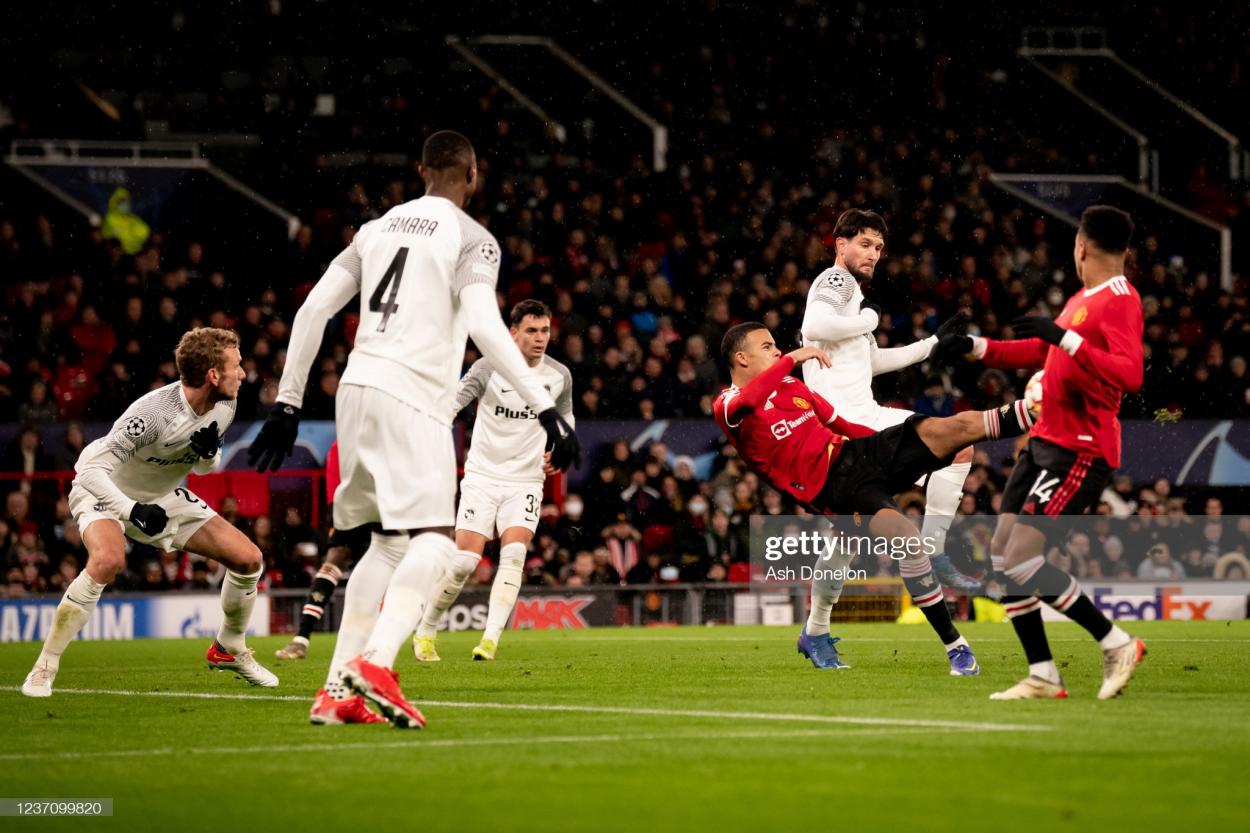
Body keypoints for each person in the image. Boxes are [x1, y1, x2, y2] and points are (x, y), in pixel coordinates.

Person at [248, 130, 580, 729]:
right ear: (472, 176)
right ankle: (376, 663)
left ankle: (336, 690)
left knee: (383, 543)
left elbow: (313, 310)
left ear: (420, 168)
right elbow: (482, 319)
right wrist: (545, 406)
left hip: (354, 391)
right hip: (413, 397)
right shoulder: (472, 239)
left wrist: (288, 403)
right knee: (435, 538)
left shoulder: (373, 231)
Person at [714, 323, 1037, 674]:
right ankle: (956, 647)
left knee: (951, 431)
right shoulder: (728, 405)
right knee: (905, 542)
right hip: (833, 489)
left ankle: (1039, 409)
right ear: (741, 358)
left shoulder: (793, 385)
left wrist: (903, 453)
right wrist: (793, 357)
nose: (776, 351)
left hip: (860, 454)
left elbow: (843, 425)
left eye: (777, 346)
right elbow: (749, 398)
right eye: (767, 346)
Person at [934, 205, 1145, 700]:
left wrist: (1064, 337)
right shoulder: (1082, 298)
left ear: (1082, 246)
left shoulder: (1120, 297)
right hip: (1045, 443)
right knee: (1004, 558)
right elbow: (1039, 351)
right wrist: (973, 346)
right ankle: (1043, 674)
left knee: (1023, 557)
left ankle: (1117, 642)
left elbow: (1131, 374)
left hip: (1080, 448)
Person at [22, 328, 277, 697]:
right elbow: (90, 472)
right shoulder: (152, 414)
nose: (244, 372)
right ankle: (44, 666)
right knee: (109, 561)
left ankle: (228, 648)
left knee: (249, 559)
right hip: (107, 491)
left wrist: (208, 454)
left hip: (160, 495)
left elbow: (205, 469)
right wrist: (130, 509)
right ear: (213, 375)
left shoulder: (225, 404)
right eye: (237, 365)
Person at [800, 208, 981, 631]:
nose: (873, 254)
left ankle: (816, 629)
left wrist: (932, 344)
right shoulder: (837, 281)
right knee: (959, 444)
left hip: (846, 429)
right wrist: (870, 318)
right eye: (864, 244)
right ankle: (934, 550)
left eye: (879, 247)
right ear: (840, 244)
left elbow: (873, 361)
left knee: (846, 538)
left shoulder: (850, 300)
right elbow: (814, 323)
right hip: (854, 423)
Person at [413, 299, 575, 662]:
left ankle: (489, 640)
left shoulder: (559, 375)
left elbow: (566, 419)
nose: (540, 338)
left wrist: (561, 449)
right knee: (464, 564)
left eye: (545, 330)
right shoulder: (487, 368)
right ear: (512, 332)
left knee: (514, 554)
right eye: (531, 330)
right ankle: (425, 630)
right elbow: (450, 405)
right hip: (483, 477)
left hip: (526, 481)